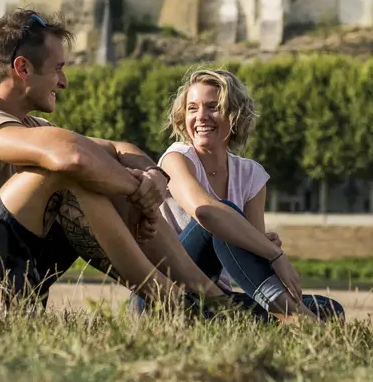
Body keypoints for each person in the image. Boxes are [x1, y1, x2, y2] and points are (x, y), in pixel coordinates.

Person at [0, 8, 255, 318]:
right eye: (57, 69)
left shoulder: (26, 126)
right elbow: (70, 157)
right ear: (22, 68)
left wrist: (151, 174)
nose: (64, 82)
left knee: (93, 173)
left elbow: (114, 148)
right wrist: (137, 190)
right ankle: (178, 305)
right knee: (67, 177)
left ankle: (212, 300)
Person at [131, 68, 344, 321]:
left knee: (329, 309)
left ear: (235, 115)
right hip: (161, 291)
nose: (201, 117)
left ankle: (260, 316)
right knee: (222, 215)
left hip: (213, 295)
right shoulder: (176, 158)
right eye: (192, 108)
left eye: (213, 107)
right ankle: (296, 319)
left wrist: (263, 245)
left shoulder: (251, 175)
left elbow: (251, 257)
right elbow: (205, 212)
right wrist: (274, 253)